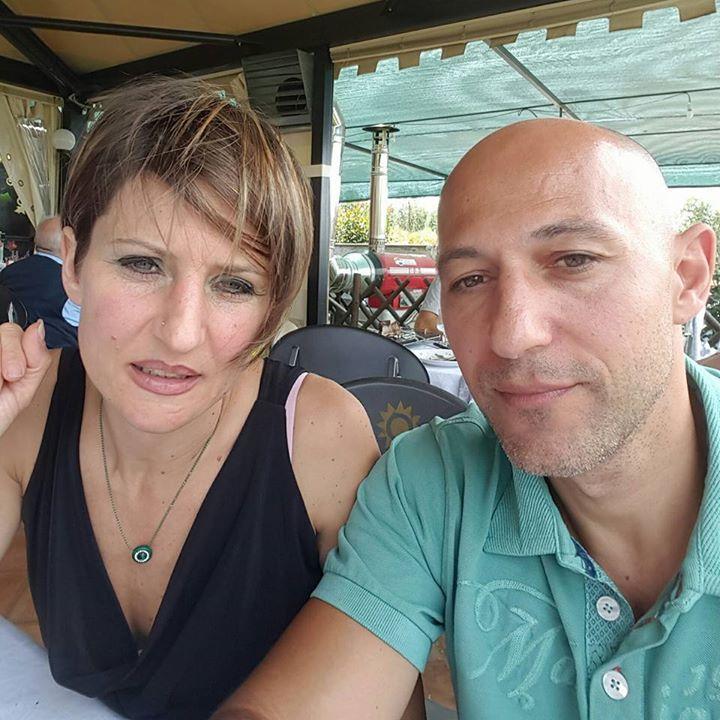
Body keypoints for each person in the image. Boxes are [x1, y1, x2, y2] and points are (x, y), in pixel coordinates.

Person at [213, 118, 719, 720]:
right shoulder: (436, 479)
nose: (511, 335)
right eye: (470, 280)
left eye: (574, 260)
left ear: (687, 277)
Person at [0, 78, 427, 720]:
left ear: (269, 313)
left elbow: (391, 700)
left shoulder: (317, 434)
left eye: (234, 284)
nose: (180, 333)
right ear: (73, 264)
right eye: (142, 264)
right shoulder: (27, 408)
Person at [0, 216, 80, 347]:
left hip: (10, 347)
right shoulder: (72, 284)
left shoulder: (8, 273)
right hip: (57, 355)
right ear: (67, 245)